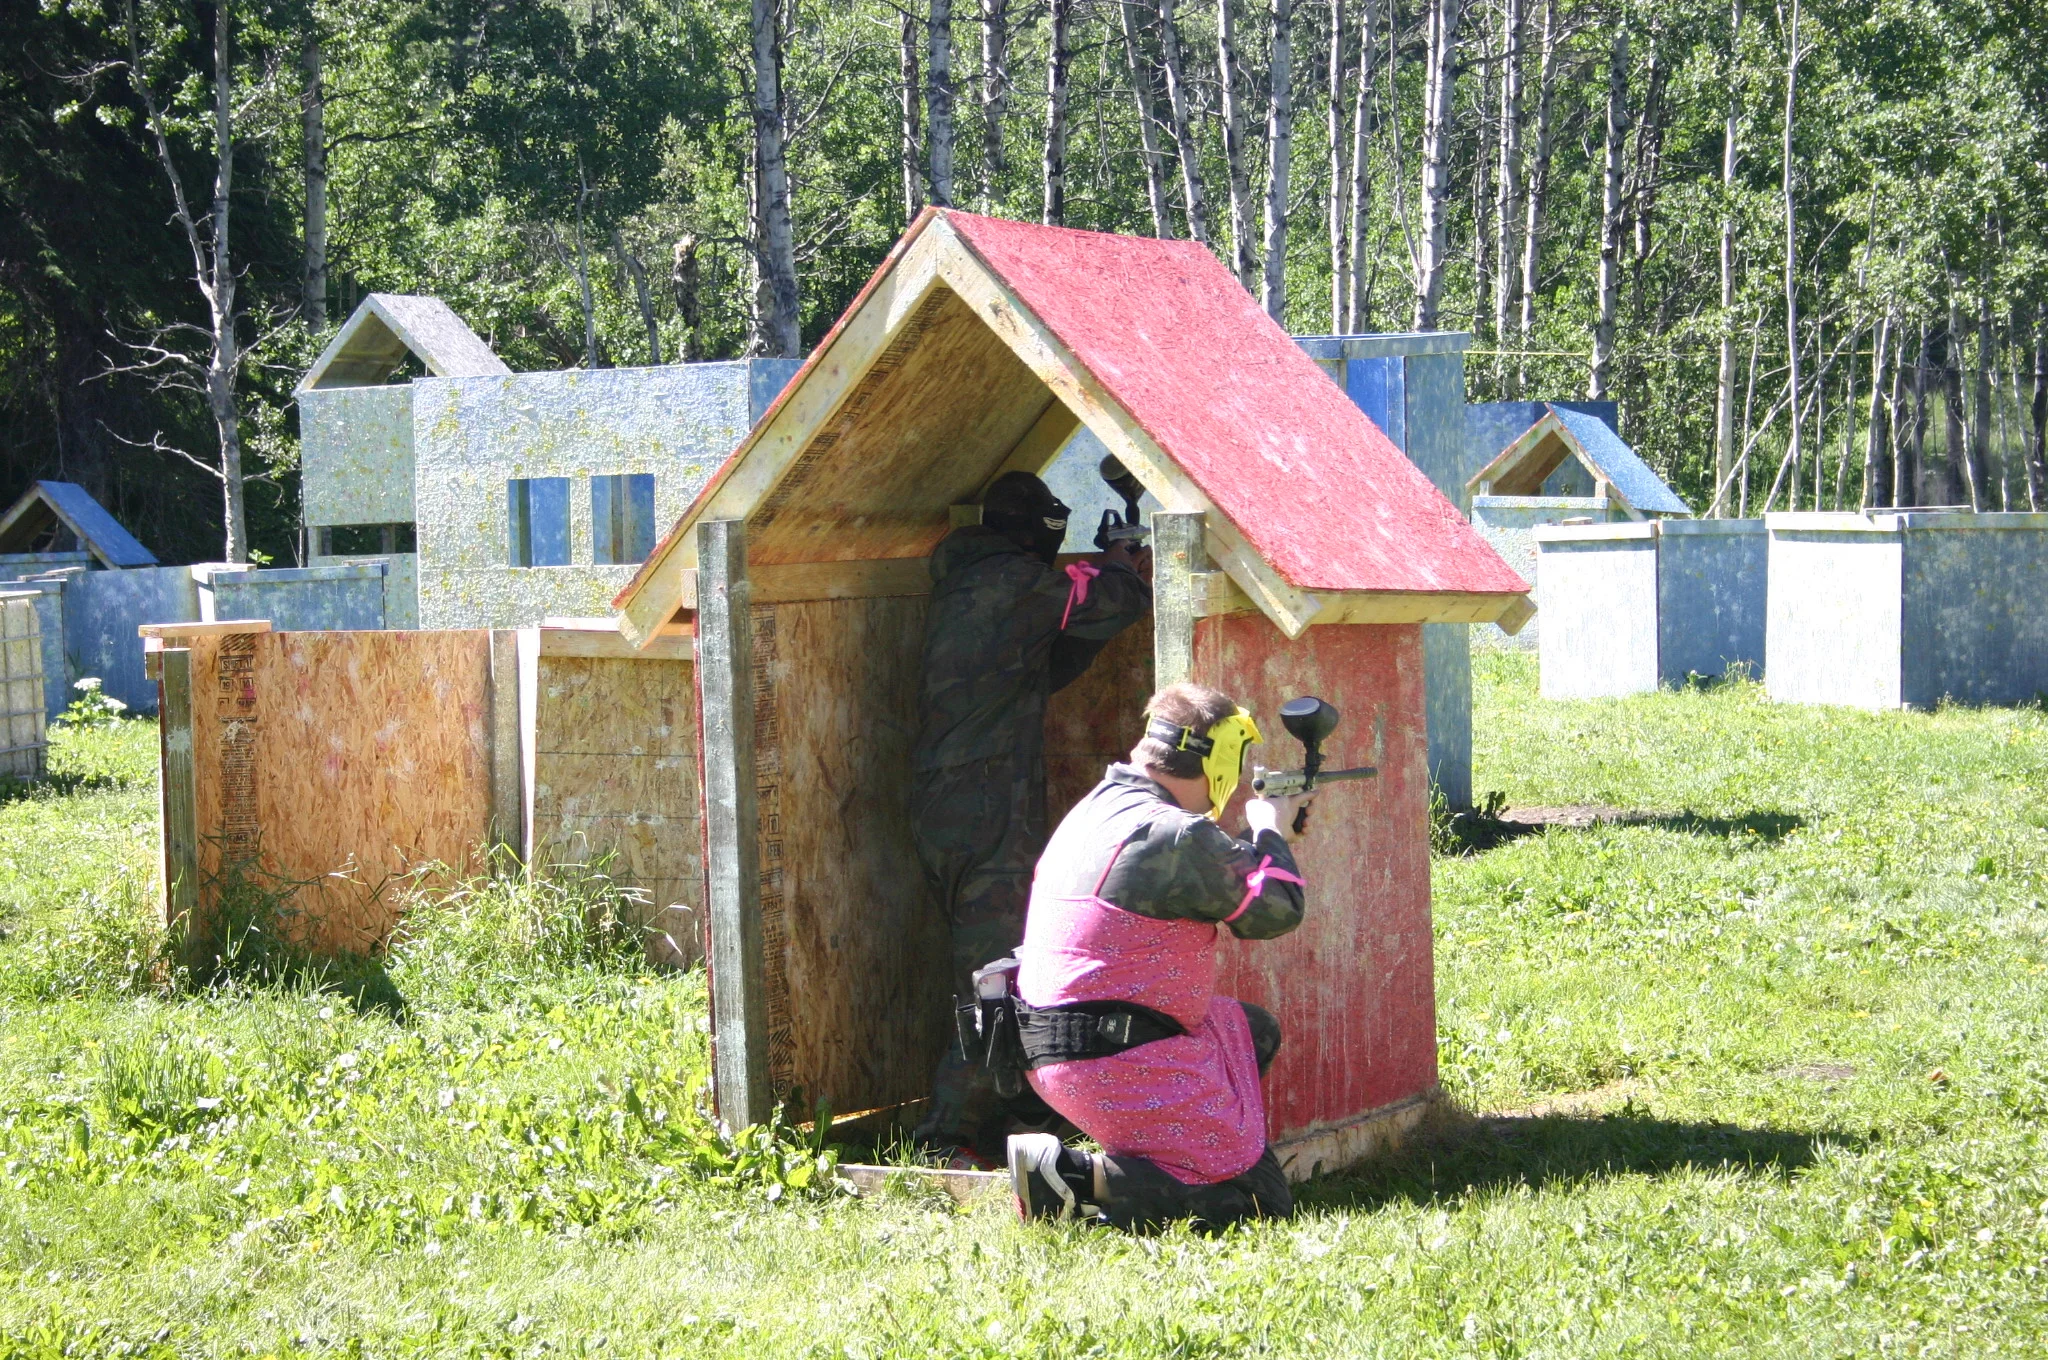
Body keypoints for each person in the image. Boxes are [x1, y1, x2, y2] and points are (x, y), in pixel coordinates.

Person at [1004, 681, 1312, 1230]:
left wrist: (1264, 837)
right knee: (1257, 1203)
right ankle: (1074, 1180)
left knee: (1250, 1032)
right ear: (1221, 763)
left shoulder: (1102, 806)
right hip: (1114, 1055)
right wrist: (1270, 830)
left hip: (1062, 1045)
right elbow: (1277, 911)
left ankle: (1162, 1156)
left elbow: (1192, 868)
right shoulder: (1174, 833)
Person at [911, 469, 1153, 1163]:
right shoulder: (1012, 582)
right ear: (1030, 533)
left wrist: (1109, 570)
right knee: (992, 975)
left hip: (947, 806)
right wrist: (1119, 565)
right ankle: (946, 1137)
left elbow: (1046, 664)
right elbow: (1113, 602)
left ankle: (1016, 1105)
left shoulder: (972, 581)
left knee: (999, 965)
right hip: (986, 810)